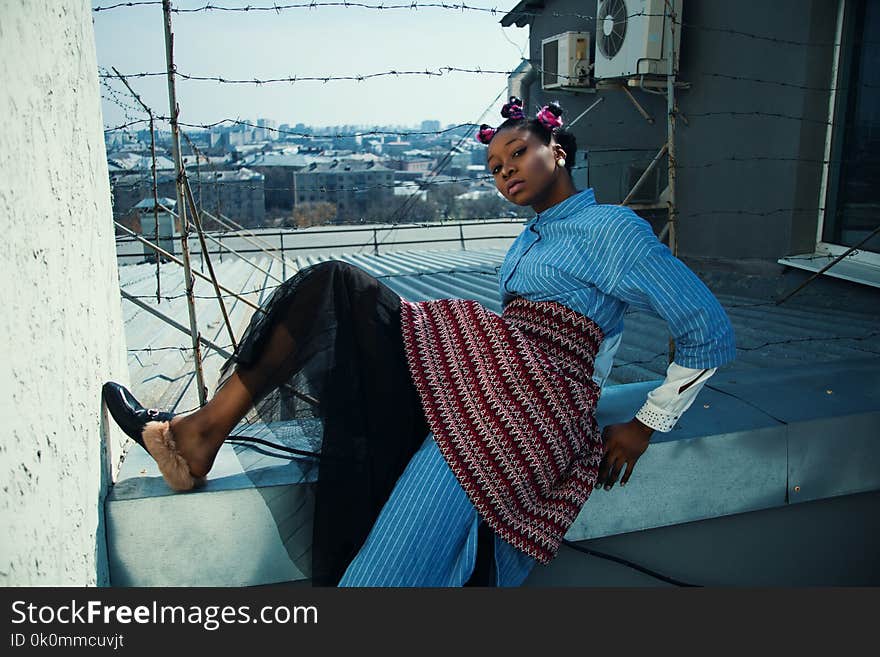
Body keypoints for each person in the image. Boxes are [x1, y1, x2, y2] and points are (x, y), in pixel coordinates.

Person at [103, 97, 735, 587]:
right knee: (337, 295)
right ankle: (197, 435)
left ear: (559, 150)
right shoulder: (533, 238)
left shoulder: (609, 228)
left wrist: (644, 425)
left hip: (525, 408)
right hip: (499, 386)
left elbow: (707, 329)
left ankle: (195, 437)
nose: (504, 171)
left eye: (517, 154)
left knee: (384, 573)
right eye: (493, 167)